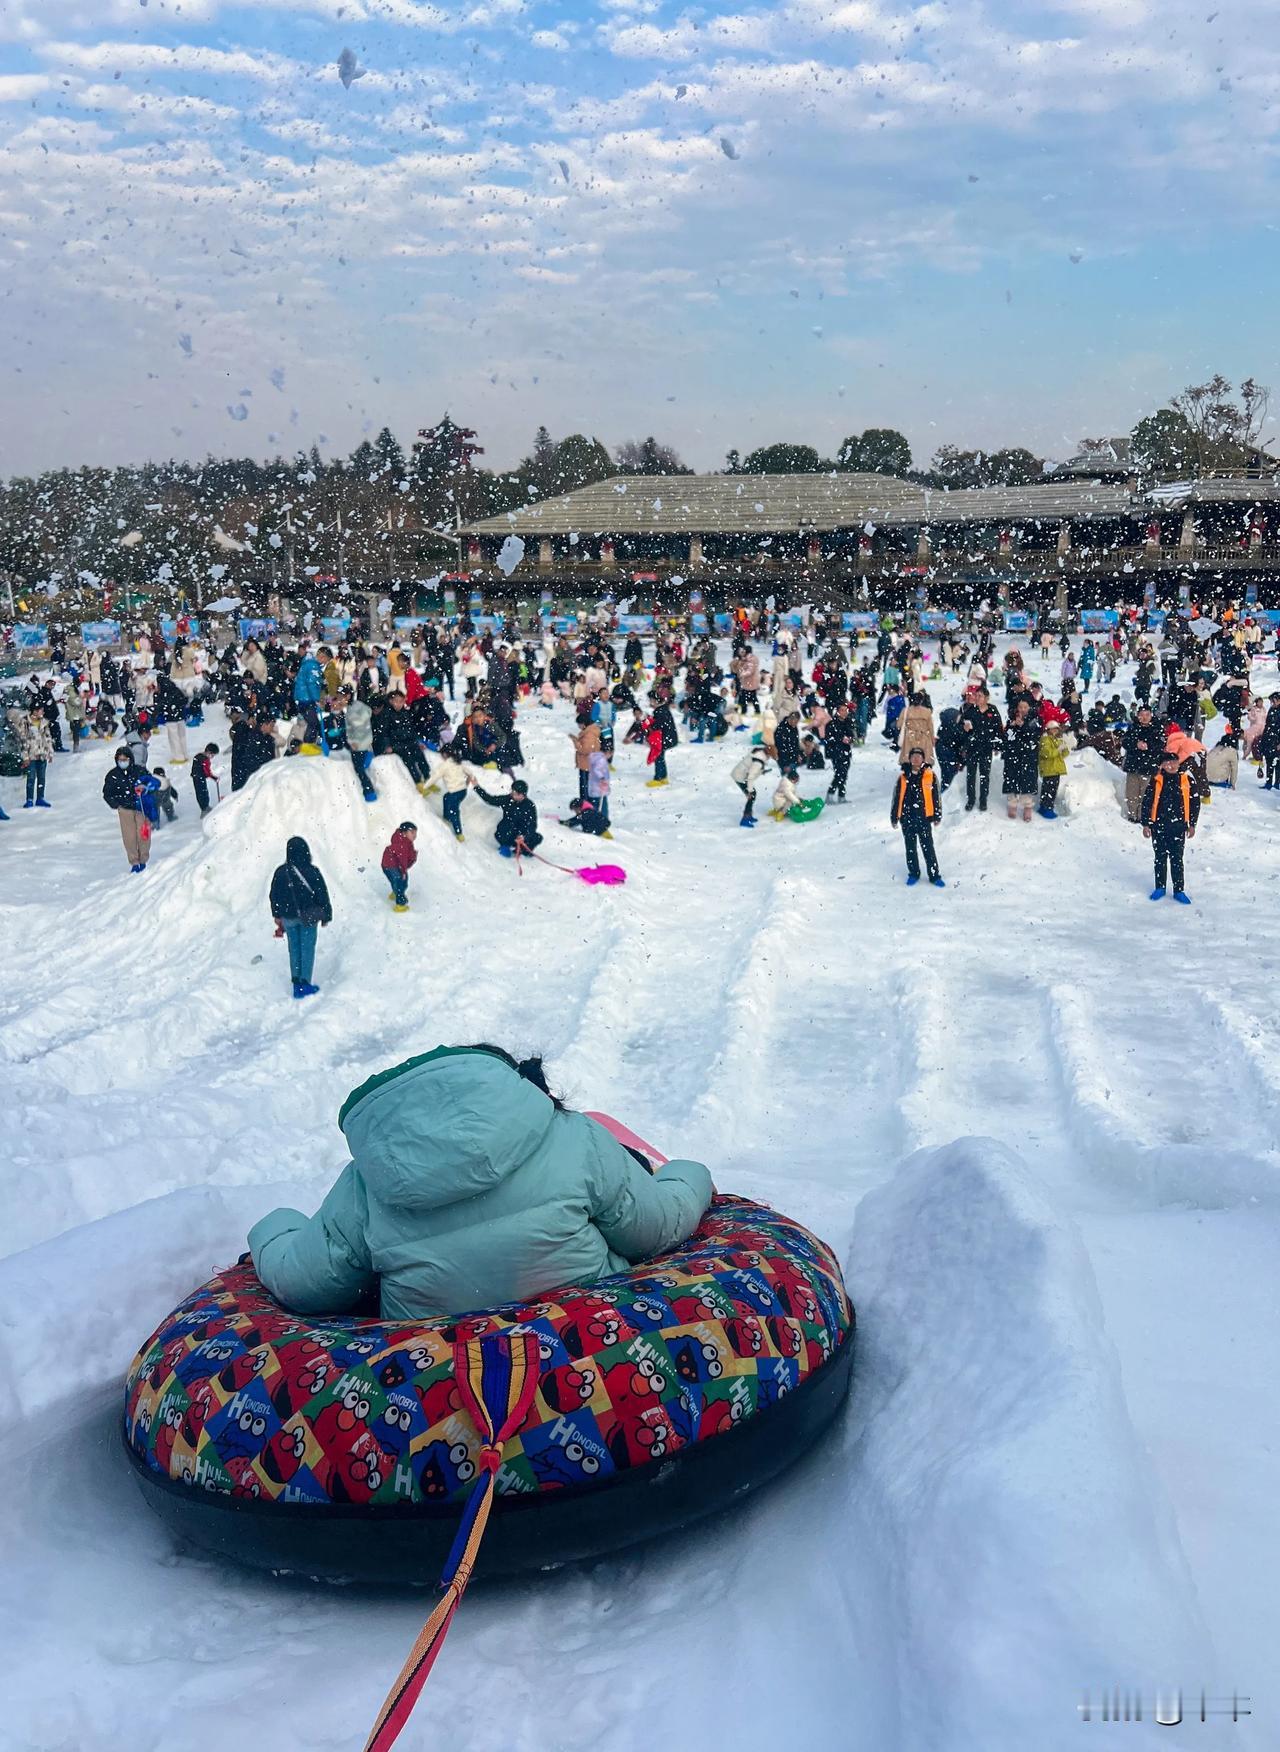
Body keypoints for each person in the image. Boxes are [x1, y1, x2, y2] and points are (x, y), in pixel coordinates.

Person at [247, 1045, 715, 1319]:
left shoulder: (365, 1187)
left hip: (436, 1390)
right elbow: (654, 1229)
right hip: (594, 1348)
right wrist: (687, 1176)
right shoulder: (576, 1138)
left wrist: (276, 1227)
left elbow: (305, 1283)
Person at [269, 836, 333, 997]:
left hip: (288, 918)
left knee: (294, 949)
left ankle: (296, 982)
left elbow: (274, 895)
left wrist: (277, 915)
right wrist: (326, 915)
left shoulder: (281, 872)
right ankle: (304, 983)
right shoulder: (312, 871)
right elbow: (322, 895)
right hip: (308, 917)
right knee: (307, 949)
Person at [1142, 749, 1199, 902]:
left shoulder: (1187, 781)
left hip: (1178, 827)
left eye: (1174, 762)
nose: (1171, 766)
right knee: (1160, 858)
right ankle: (1160, 887)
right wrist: (1146, 824)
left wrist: (1192, 823)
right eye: (1168, 763)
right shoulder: (1156, 781)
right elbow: (1147, 803)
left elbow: (1194, 804)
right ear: (1162, 765)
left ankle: (1178, 890)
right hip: (1158, 826)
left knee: (1177, 859)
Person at [890, 747, 944, 887]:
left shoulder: (930, 776)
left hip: (924, 818)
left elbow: (936, 797)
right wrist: (894, 817)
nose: (916, 759)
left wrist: (937, 815)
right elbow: (896, 798)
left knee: (928, 848)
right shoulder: (902, 778)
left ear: (923, 759)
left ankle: (934, 875)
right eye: (913, 756)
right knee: (910, 847)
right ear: (910, 759)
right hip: (907, 818)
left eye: (919, 756)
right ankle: (914, 873)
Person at [102, 744, 158, 871]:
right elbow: (107, 794)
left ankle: (143, 859)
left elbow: (152, 782)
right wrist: (117, 804)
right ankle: (134, 862)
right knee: (129, 837)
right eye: (120, 760)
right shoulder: (112, 775)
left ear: (130, 759)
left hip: (141, 807)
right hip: (125, 810)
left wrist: (145, 790)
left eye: (125, 759)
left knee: (144, 835)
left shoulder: (139, 770)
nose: (123, 762)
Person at [472, 776, 542, 856]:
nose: (514, 795)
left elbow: (532, 825)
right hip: (508, 830)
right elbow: (490, 799)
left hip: (521, 833)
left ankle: (522, 850)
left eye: (517, 794)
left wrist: (524, 836)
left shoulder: (529, 805)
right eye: (513, 792)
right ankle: (505, 845)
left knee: (537, 837)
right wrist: (476, 786)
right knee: (502, 831)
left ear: (523, 795)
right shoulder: (507, 800)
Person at [959, 687, 1003, 812]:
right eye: (976, 695)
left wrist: (997, 745)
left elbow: (998, 728)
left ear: (987, 698)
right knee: (971, 775)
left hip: (986, 748)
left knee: (985, 776)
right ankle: (971, 800)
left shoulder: (992, 710)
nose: (977, 698)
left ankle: (983, 800)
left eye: (980, 696)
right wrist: (965, 728)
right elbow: (962, 725)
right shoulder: (970, 710)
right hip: (972, 747)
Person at [1121, 707, 1164, 822]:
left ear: (1151, 715)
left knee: (1146, 794)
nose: (1144, 717)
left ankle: (1142, 816)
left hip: (1149, 767)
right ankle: (1132, 815)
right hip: (1133, 766)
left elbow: (1161, 746)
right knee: (1131, 793)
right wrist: (1136, 744)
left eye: (1147, 714)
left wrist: (1148, 746)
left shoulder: (1157, 728)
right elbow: (1125, 742)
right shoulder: (1133, 727)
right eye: (1142, 714)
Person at [1002, 700, 1041, 822]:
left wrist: (1023, 726)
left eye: (1025, 706)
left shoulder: (1035, 720)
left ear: (1029, 707)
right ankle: (1012, 804)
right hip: (1013, 756)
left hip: (1028, 756)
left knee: (1027, 782)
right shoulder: (1011, 719)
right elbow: (1006, 738)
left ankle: (1027, 807)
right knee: (1011, 780)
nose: (1023, 709)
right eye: (1020, 706)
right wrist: (1012, 727)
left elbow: (1034, 737)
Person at [19, 709, 53, 809]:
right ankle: (29, 799)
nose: (42, 712)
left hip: (42, 754)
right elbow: (23, 741)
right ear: (34, 711)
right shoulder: (25, 723)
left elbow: (48, 738)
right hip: (31, 755)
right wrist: (25, 756)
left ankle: (40, 798)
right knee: (31, 778)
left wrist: (50, 752)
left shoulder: (44, 723)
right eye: (40, 710)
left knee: (41, 778)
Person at [382, 821, 418, 913]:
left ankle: (395, 892)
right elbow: (403, 860)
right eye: (412, 832)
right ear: (404, 833)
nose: (415, 835)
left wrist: (413, 856)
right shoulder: (401, 844)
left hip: (391, 864)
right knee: (401, 882)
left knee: (400, 882)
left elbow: (407, 858)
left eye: (415, 833)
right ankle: (400, 905)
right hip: (390, 865)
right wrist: (403, 873)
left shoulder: (406, 841)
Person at [731, 744, 771, 827]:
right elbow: (750, 776)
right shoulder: (759, 761)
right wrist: (749, 791)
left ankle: (748, 815)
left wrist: (761, 771)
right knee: (751, 796)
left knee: (752, 795)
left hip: (741, 774)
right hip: (740, 777)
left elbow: (750, 767)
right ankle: (745, 819)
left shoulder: (759, 753)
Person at [823, 701, 855, 803]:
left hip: (845, 751)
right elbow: (829, 738)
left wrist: (850, 739)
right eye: (842, 710)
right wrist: (841, 739)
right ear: (837, 711)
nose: (844, 712)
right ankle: (830, 793)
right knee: (839, 773)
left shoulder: (848, 722)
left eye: (846, 710)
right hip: (835, 752)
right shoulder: (831, 724)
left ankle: (841, 795)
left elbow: (852, 735)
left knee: (844, 773)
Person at [436, 746, 469, 840]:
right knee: (446, 798)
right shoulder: (456, 762)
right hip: (459, 790)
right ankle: (447, 817)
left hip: (458, 791)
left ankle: (459, 833)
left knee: (454, 809)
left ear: (446, 755)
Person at [1037, 720, 1068, 819]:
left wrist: (1066, 747)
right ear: (1048, 729)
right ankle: (1047, 808)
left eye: (1056, 729)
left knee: (1052, 789)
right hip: (1049, 769)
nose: (1055, 731)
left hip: (1055, 769)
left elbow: (1062, 755)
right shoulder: (1045, 739)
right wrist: (1058, 749)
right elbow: (1048, 753)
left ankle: (1045, 807)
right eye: (1053, 729)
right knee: (1049, 790)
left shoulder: (1055, 739)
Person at [192, 742, 220, 815]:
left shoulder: (198, 756)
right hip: (200, 778)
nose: (212, 757)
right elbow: (207, 772)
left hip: (196, 778)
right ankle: (204, 809)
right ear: (209, 752)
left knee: (200, 793)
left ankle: (205, 807)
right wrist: (214, 778)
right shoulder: (205, 760)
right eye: (212, 755)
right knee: (203, 793)